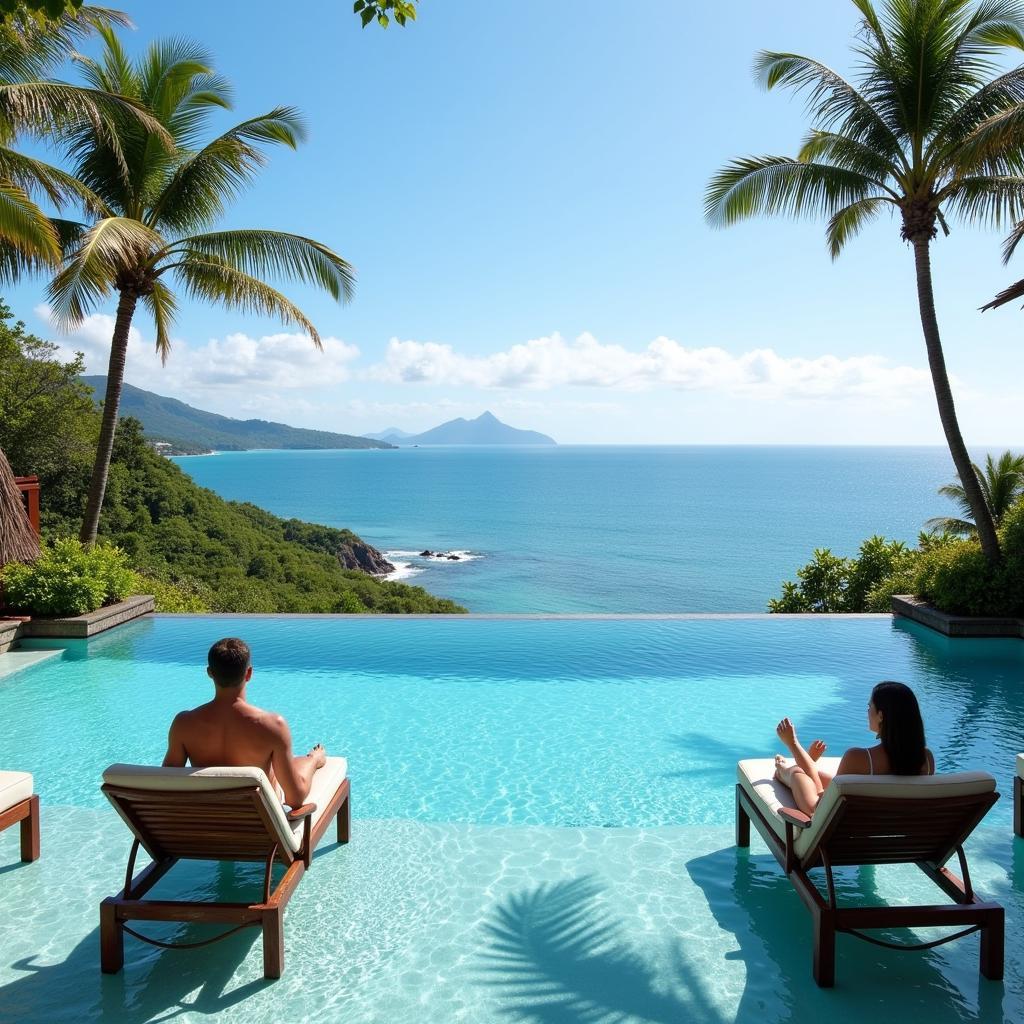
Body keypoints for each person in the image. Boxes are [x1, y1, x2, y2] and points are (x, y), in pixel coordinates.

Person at [162, 637, 327, 808]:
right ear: (248, 673)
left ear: (210, 672)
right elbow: (295, 799)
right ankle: (313, 758)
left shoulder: (184, 724)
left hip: (207, 818)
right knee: (290, 766)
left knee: (289, 764)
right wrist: (314, 761)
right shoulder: (272, 726)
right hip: (258, 825)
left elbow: (166, 785)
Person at [773, 680, 935, 816]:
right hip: (890, 829)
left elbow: (823, 804)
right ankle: (803, 764)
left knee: (797, 773)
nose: (867, 711)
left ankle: (785, 769)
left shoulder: (859, 758)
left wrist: (793, 745)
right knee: (820, 775)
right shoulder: (926, 759)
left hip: (825, 815)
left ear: (881, 715)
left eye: (869, 706)